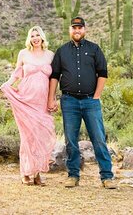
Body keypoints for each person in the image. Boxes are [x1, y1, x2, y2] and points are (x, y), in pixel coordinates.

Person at [47, 16, 116, 189]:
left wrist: (96, 96)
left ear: (84, 30)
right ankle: (73, 175)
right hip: (69, 101)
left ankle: (107, 177)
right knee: (71, 140)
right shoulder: (62, 51)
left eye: (80, 28)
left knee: (99, 139)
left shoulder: (94, 49)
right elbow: (55, 76)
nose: (77, 30)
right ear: (70, 30)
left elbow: (103, 73)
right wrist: (51, 98)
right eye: (74, 28)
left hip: (90, 101)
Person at [0, 25, 57, 186]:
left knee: (40, 136)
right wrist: (8, 84)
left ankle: (37, 173)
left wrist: (53, 98)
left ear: (42, 37)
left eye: (37, 35)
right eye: (32, 36)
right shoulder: (23, 53)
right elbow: (17, 73)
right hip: (26, 99)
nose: (35, 38)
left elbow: (54, 79)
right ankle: (25, 172)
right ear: (29, 38)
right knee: (27, 137)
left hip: (42, 102)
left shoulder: (50, 55)